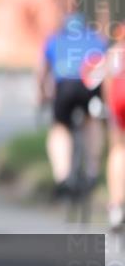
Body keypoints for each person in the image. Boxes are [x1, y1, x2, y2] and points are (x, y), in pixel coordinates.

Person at [37, 12, 107, 199]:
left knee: (60, 128)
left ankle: (62, 177)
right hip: (89, 87)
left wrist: (42, 94)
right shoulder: (96, 39)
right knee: (92, 123)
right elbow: (106, 68)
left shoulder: (54, 40)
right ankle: (92, 172)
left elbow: (42, 72)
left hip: (64, 87)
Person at [104, 24, 125, 230]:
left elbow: (106, 81)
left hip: (119, 99)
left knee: (117, 148)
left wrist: (107, 108)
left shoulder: (115, 52)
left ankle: (116, 205)